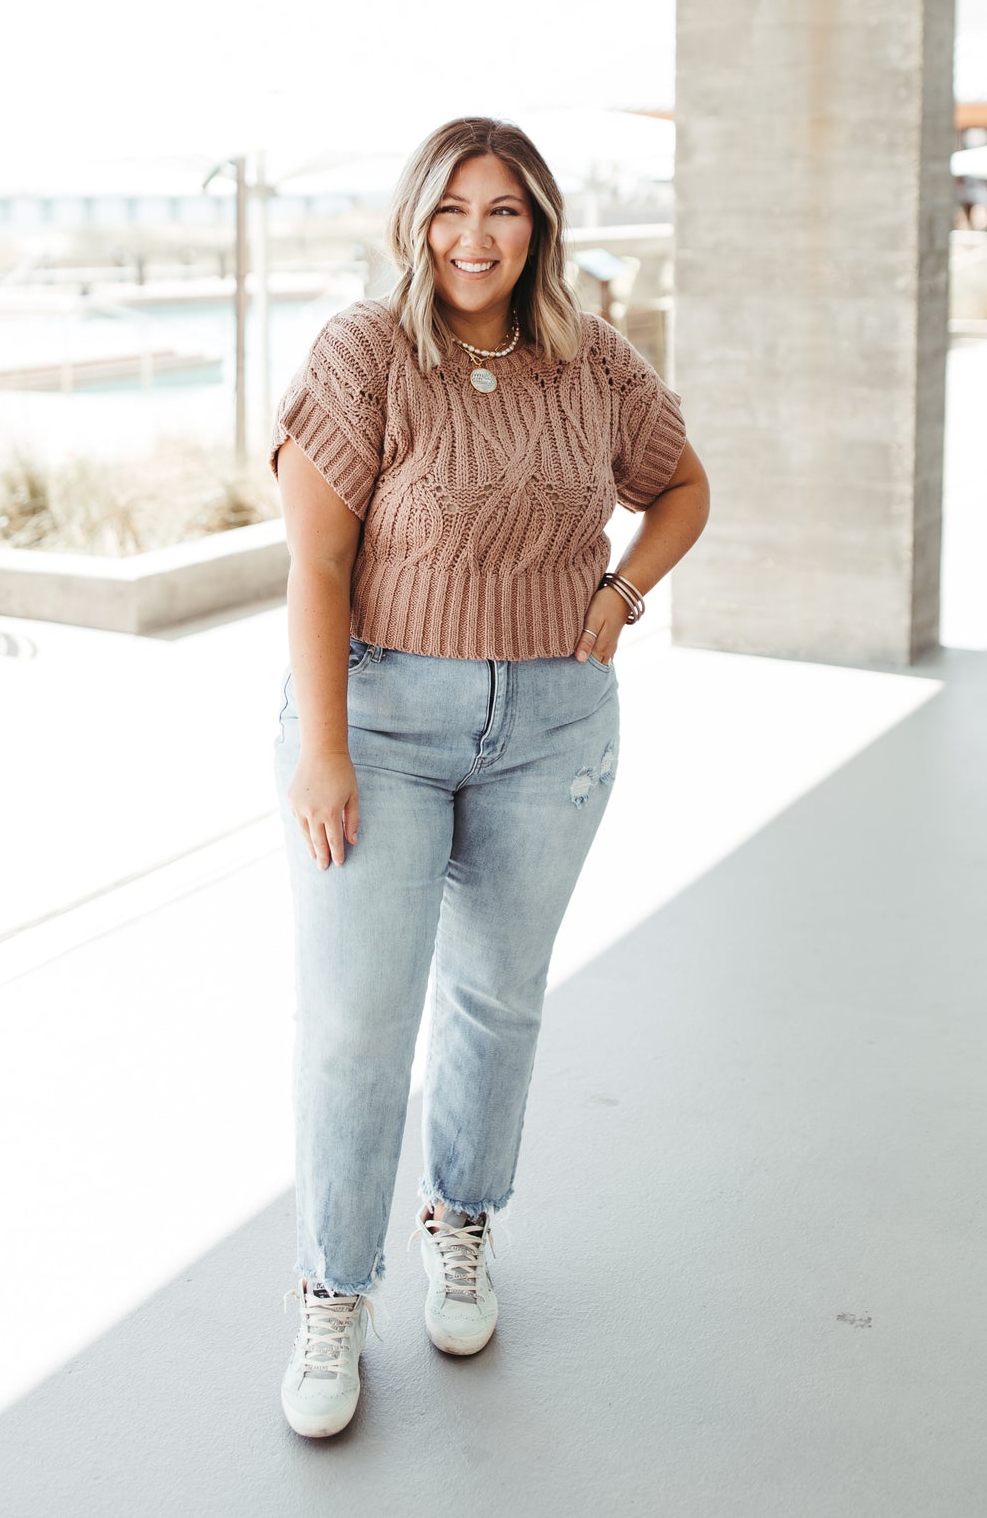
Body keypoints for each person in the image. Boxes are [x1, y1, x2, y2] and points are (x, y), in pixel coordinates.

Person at [268, 117, 710, 1439]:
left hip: (555, 727)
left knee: (498, 1001)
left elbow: (682, 487)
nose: (477, 235)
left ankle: (464, 1224)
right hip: (383, 721)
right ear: (416, 222)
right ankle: (334, 1293)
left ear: (542, 228)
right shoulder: (363, 354)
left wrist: (623, 594)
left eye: (505, 210)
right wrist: (326, 748)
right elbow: (319, 567)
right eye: (453, 209)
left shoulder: (591, 360)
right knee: (357, 1029)